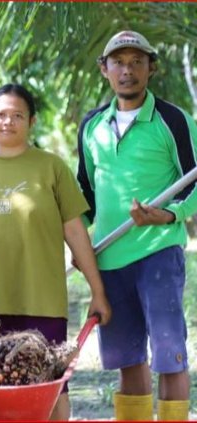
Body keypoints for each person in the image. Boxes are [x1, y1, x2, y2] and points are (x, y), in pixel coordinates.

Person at [0, 83, 111, 421]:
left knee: (50, 390)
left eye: (17, 115)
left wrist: (98, 291)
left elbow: (75, 231)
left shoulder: (52, 168)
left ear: (32, 121)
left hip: (42, 302)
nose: (8, 122)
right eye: (0, 115)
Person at [77, 30, 197, 421]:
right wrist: (77, 244)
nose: (127, 71)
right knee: (127, 357)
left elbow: (193, 183)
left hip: (158, 253)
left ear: (151, 68)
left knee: (169, 355)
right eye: (119, 63)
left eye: (137, 62)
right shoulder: (91, 126)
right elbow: (86, 197)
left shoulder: (174, 120)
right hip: (109, 260)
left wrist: (167, 214)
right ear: (104, 70)